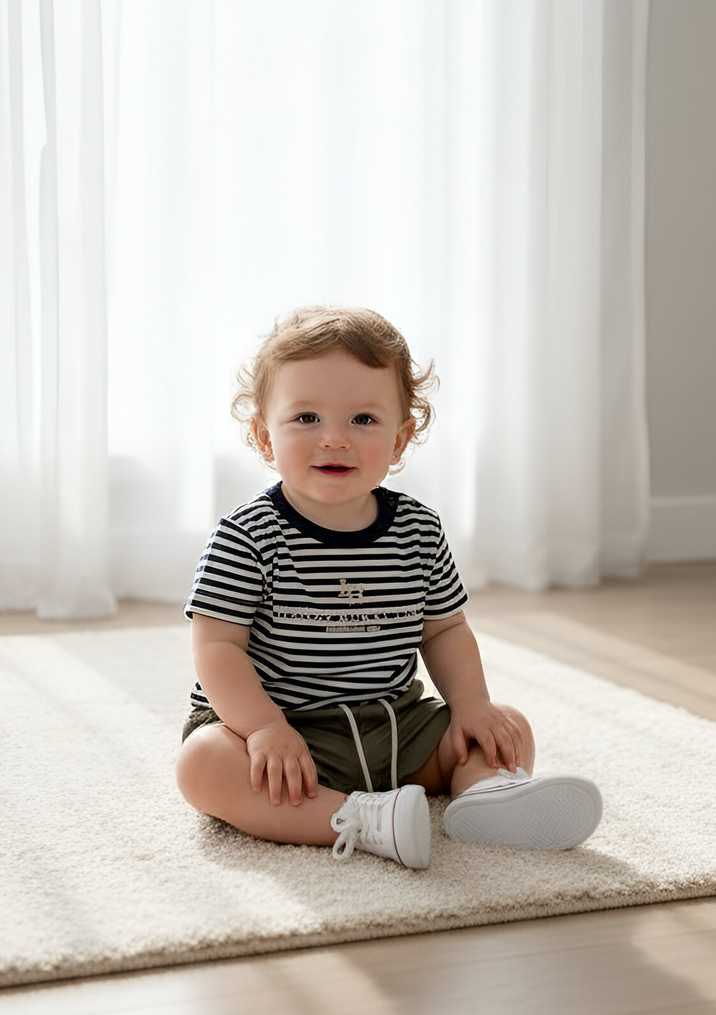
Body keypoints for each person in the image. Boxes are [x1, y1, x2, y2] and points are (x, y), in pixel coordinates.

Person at [175, 306, 602, 869]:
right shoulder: (248, 535)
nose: (334, 439)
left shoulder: (417, 531)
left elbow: (446, 628)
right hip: (284, 734)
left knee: (504, 725)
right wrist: (264, 729)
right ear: (263, 435)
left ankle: (485, 798)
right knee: (202, 765)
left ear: (400, 440)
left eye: (363, 420)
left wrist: (471, 705)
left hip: (394, 724)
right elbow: (217, 646)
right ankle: (358, 820)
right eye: (305, 418)